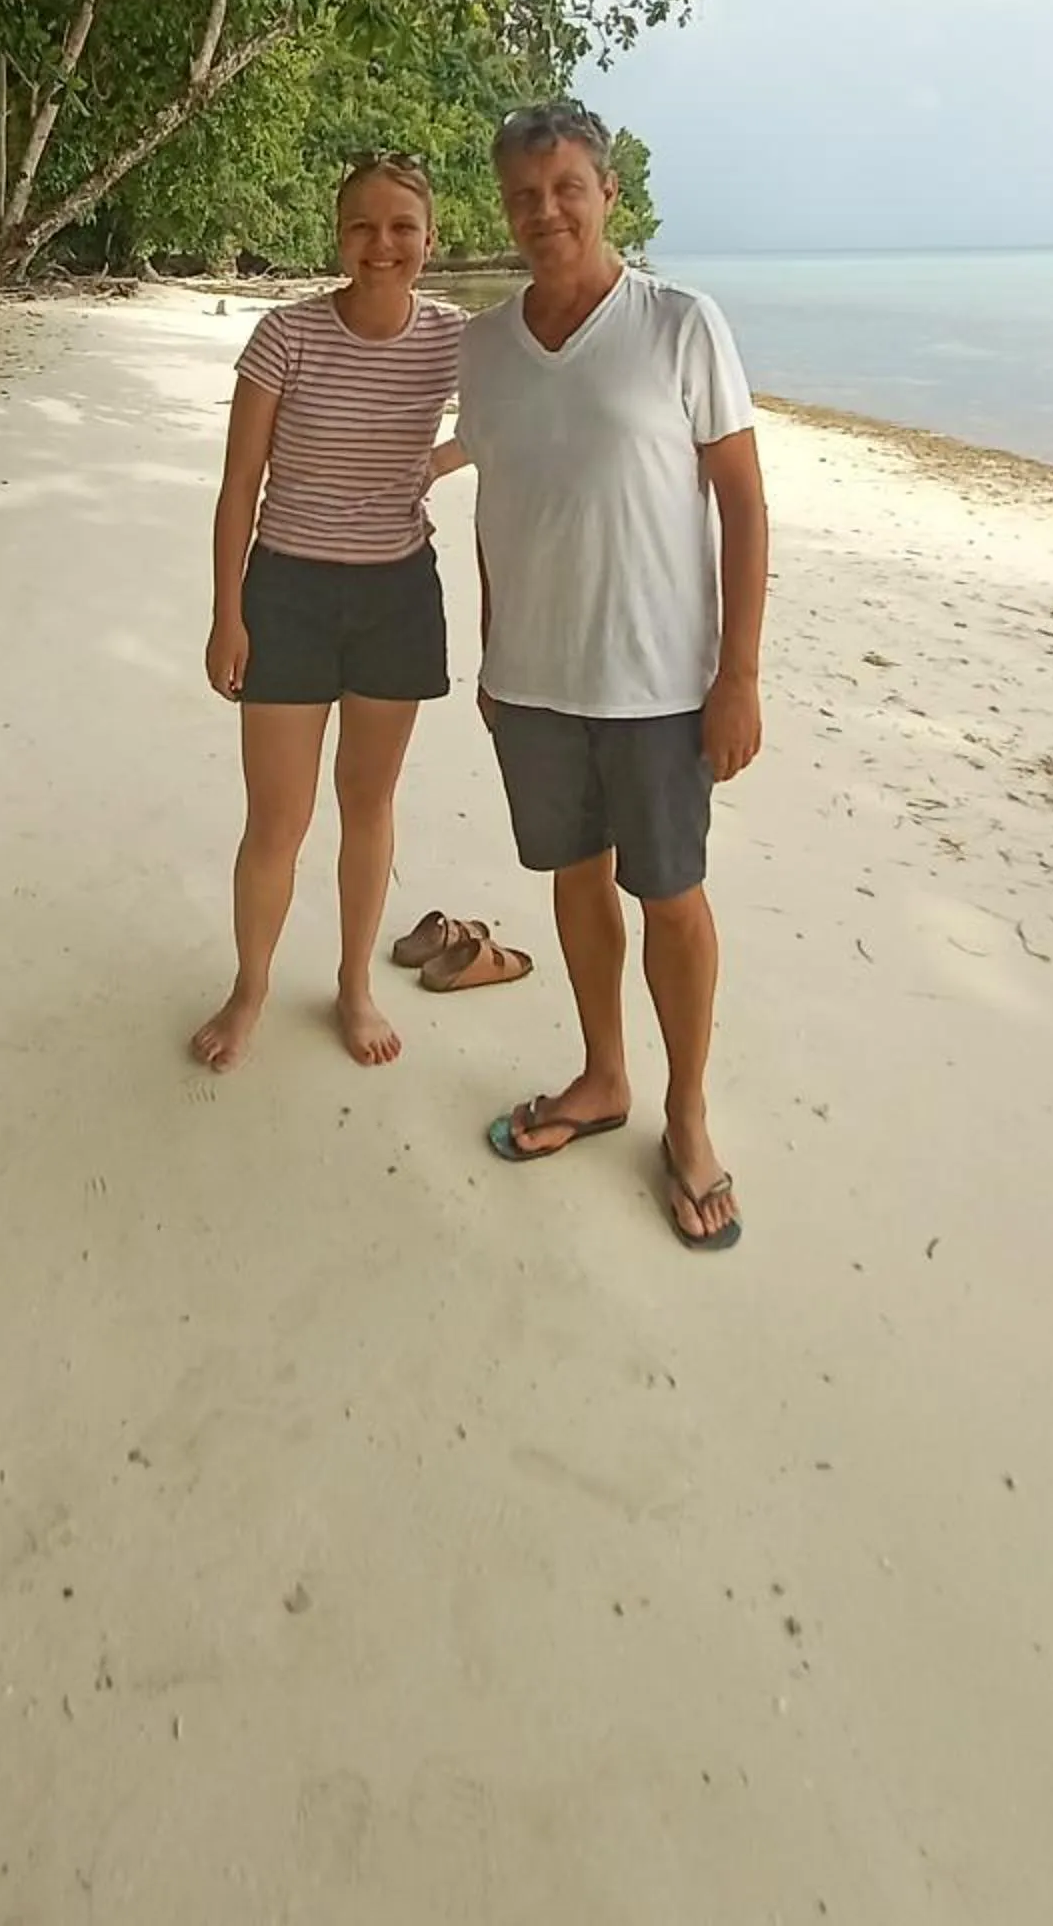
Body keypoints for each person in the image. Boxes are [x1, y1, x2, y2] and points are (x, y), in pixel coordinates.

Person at [458, 101, 769, 1248]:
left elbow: (741, 501)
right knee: (575, 883)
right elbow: (502, 506)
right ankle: (603, 1077)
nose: (545, 214)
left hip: (660, 686)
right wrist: (491, 650)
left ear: (607, 194)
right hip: (531, 680)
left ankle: (686, 1115)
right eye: (523, 198)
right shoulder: (481, 348)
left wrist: (739, 674)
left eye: (565, 190)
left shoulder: (681, 326)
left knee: (671, 902)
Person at [193, 155, 467, 1073]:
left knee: (368, 802)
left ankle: (354, 984)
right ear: (338, 236)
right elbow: (239, 487)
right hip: (288, 591)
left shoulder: (455, 339)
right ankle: (251, 988)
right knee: (277, 820)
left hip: (397, 594)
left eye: (401, 227)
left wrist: (442, 459)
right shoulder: (286, 336)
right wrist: (227, 614)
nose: (381, 245)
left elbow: (538, 404)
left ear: (430, 240)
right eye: (362, 226)